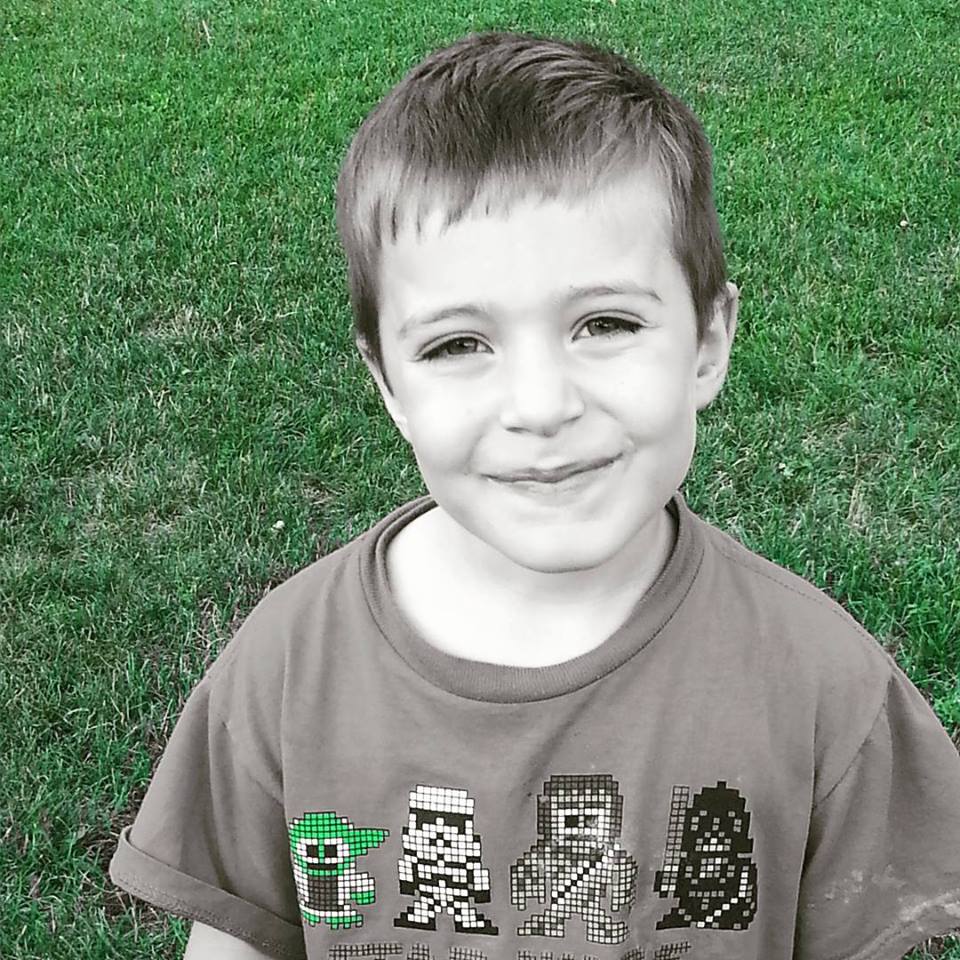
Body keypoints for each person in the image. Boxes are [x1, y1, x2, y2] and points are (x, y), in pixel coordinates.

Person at [109, 29, 960, 960]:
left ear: (708, 343)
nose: (542, 406)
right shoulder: (288, 666)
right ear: (388, 384)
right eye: (457, 344)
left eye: (606, 323)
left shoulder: (821, 686)